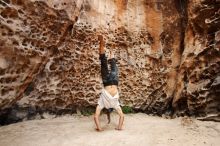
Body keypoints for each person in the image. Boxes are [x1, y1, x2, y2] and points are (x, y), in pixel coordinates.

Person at [94, 35, 124, 131]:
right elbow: (96, 117)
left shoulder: (115, 104)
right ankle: (107, 47)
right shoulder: (105, 104)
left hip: (113, 82)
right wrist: (99, 128)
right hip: (107, 81)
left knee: (112, 63)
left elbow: (122, 116)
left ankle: (109, 48)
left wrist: (119, 127)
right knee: (104, 61)